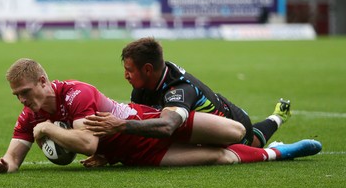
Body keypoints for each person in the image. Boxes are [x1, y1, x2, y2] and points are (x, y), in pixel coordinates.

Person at [0, 58, 321, 174]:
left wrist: (47, 128)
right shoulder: (29, 115)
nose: (22, 101)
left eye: (26, 92)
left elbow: (87, 143)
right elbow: (13, 158)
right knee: (221, 159)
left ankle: (273, 121)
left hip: (150, 119)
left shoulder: (76, 93)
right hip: (139, 152)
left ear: (43, 82)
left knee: (235, 131)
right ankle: (278, 152)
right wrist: (3, 165)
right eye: (17, 95)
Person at [84, 37, 290, 148]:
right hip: (204, 127)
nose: (125, 76)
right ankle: (278, 115)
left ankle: (278, 116)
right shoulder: (143, 87)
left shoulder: (180, 90)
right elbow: (142, 127)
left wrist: (120, 125)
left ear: (147, 69)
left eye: (129, 71)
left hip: (234, 123)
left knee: (253, 144)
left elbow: (166, 127)